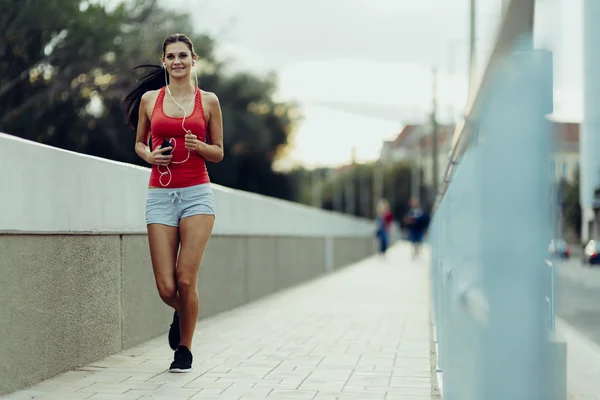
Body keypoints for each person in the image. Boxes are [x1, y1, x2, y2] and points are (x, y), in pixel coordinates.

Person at [124, 33, 224, 373]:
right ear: (164, 61)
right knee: (167, 286)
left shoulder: (208, 101)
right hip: (160, 196)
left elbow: (220, 152)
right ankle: (182, 313)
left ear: (194, 60)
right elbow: (139, 143)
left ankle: (185, 348)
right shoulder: (151, 100)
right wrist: (151, 155)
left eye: (183, 55)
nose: (177, 61)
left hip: (197, 192)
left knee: (185, 280)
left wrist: (199, 146)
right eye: (171, 56)